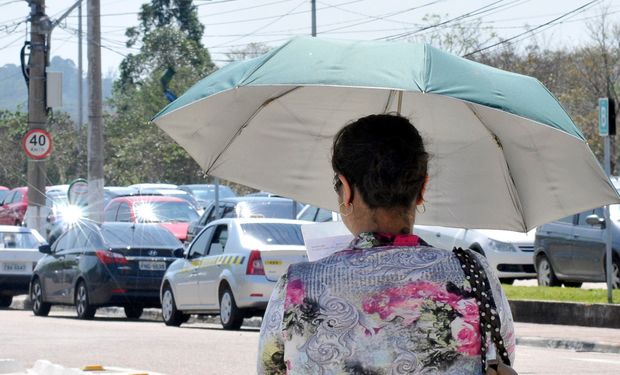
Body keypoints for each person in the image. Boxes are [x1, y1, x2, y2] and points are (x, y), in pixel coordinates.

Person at [257, 114, 516, 374]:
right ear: (422, 188)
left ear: (345, 189)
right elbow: (501, 361)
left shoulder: (296, 286)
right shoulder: (475, 274)